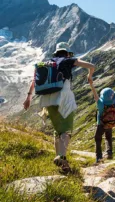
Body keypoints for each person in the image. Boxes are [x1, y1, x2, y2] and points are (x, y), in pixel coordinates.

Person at [23, 42, 95, 172]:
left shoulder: (46, 63)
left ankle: (63, 165)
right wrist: (89, 76)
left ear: (56, 52)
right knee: (66, 130)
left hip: (48, 99)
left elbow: (34, 80)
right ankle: (61, 156)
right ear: (67, 53)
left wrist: (28, 97)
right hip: (64, 97)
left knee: (57, 131)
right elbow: (91, 65)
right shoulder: (69, 60)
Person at [89, 75, 115, 163]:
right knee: (108, 138)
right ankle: (109, 152)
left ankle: (99, 157)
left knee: (98, 138)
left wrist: (91, 85)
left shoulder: (101, 103)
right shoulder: (114, 101)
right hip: (110, 123)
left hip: (101, 124)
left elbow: (95, 95)